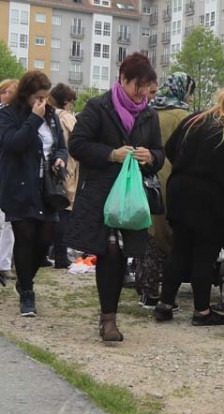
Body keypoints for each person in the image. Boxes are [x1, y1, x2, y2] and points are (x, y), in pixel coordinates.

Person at [68, 53, 163, 342]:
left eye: (147, 88)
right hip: (101, 193)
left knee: (123, 254)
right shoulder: (99, 106)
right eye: (139, 86)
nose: (143, 93)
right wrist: (111, 154)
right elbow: (77, 145)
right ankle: (108, 319)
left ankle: (111, 314)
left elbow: (160, 153)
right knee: (108, 251)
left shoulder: (149, 113)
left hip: (132, 196)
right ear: (123, 79)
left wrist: (151, 157)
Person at [154, 80, 224, 326]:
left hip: (180, 191)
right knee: (204, 253)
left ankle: (164, 305)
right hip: (212, 199)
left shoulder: (195, 119)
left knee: (179, 249)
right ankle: (201, 312)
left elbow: (170, 148)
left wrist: (187, 166)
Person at [0, 71, 67, 316]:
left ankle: (24, 278)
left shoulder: (51, 116)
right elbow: (13, 144)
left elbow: (60, 146)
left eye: (45, 97)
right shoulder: (8, 115)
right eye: (38, 97)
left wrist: (60, 159)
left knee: (45, 238)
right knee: (25, 235)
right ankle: (27, 292)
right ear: (26, 95)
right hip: (19, 185)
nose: (43, 102)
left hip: (46, 188)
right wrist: (34, 120)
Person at [134, 72, 195, 308]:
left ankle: (146, 288)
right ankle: (165, 292)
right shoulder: (185, 117)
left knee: (148, 233)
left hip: (146, 176)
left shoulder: (148, 110)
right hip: (172, 179)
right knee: (169, 235)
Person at [48, 83, 79, 270]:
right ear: (67, 101)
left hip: (49, 167)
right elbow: (78, 142)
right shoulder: (67, 118)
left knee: (49, 209)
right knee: (64, 210)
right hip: (66, 168)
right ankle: (60, 254)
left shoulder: (47, 115)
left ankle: (47, 251)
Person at [0, 79, 18, 283]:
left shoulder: (19, 116)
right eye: (4, 91)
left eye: (11, 92)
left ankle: (4, 264)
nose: (7, 95)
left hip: (10, 172)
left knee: (8, 221)